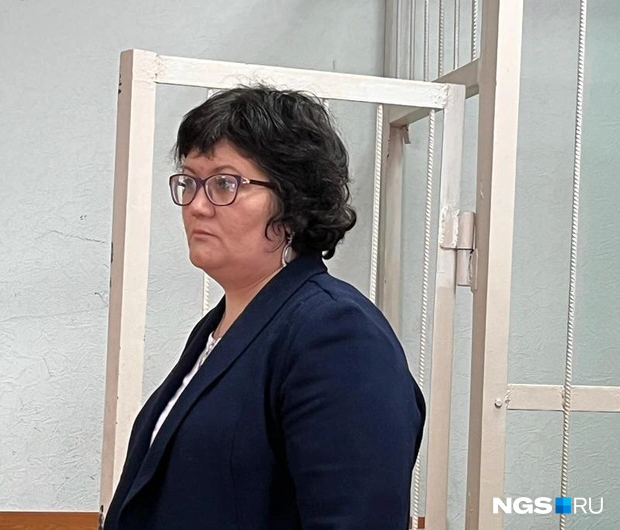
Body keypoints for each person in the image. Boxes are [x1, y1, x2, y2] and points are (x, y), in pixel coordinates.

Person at [101, 86, 425, 530]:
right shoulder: (218, 329)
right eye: (189, 181)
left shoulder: (335, 332)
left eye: (224, 183)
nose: (197, 206)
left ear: (292, 201)